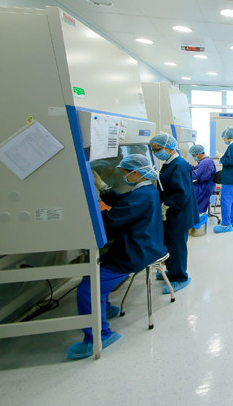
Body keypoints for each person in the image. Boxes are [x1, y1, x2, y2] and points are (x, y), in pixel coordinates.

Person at [68, 154, 167, 360]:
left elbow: (113, 218)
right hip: (146, 245)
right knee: (96, 269)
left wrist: (85, 215)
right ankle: (105, 309)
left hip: (135, 252)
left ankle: (100, 336)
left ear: (136, 173)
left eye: (124, 173)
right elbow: (123, 202)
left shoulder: (142, 195)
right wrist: (101, 185)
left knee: (87, 288)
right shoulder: (147, 189)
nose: (123, 176)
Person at [150, 133, 199, 294]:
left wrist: (167, 205)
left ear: (169, 147)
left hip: (179, 213)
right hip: (175, 212)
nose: (156, 152)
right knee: (171, 243)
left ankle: (180, 277)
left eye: (157, 149)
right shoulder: (169, 163)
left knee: (177, 246)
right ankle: (172, 271)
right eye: (153, 150)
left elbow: (182, 194)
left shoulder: (179, 165)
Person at [217, 126, 233, 233]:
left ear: (227, 137)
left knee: (225, 200)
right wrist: (224, 156)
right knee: (232, 200)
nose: (223, 139)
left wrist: (221, 157)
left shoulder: (232, 147)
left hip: (229, 178)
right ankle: (232, 221)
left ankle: (226, 225)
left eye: (223, 138)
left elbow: (230, 161)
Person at [188, 144, 216, 237]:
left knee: (196, 201)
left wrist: (186, 172)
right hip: (204, 185)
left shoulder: (205, 162)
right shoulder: (204, 161)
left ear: (200, 154)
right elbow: (197, 169)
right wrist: (188, 165)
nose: (193, 157)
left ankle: (196, 224)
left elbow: (195, 175)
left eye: (194, 155)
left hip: (204, 187)